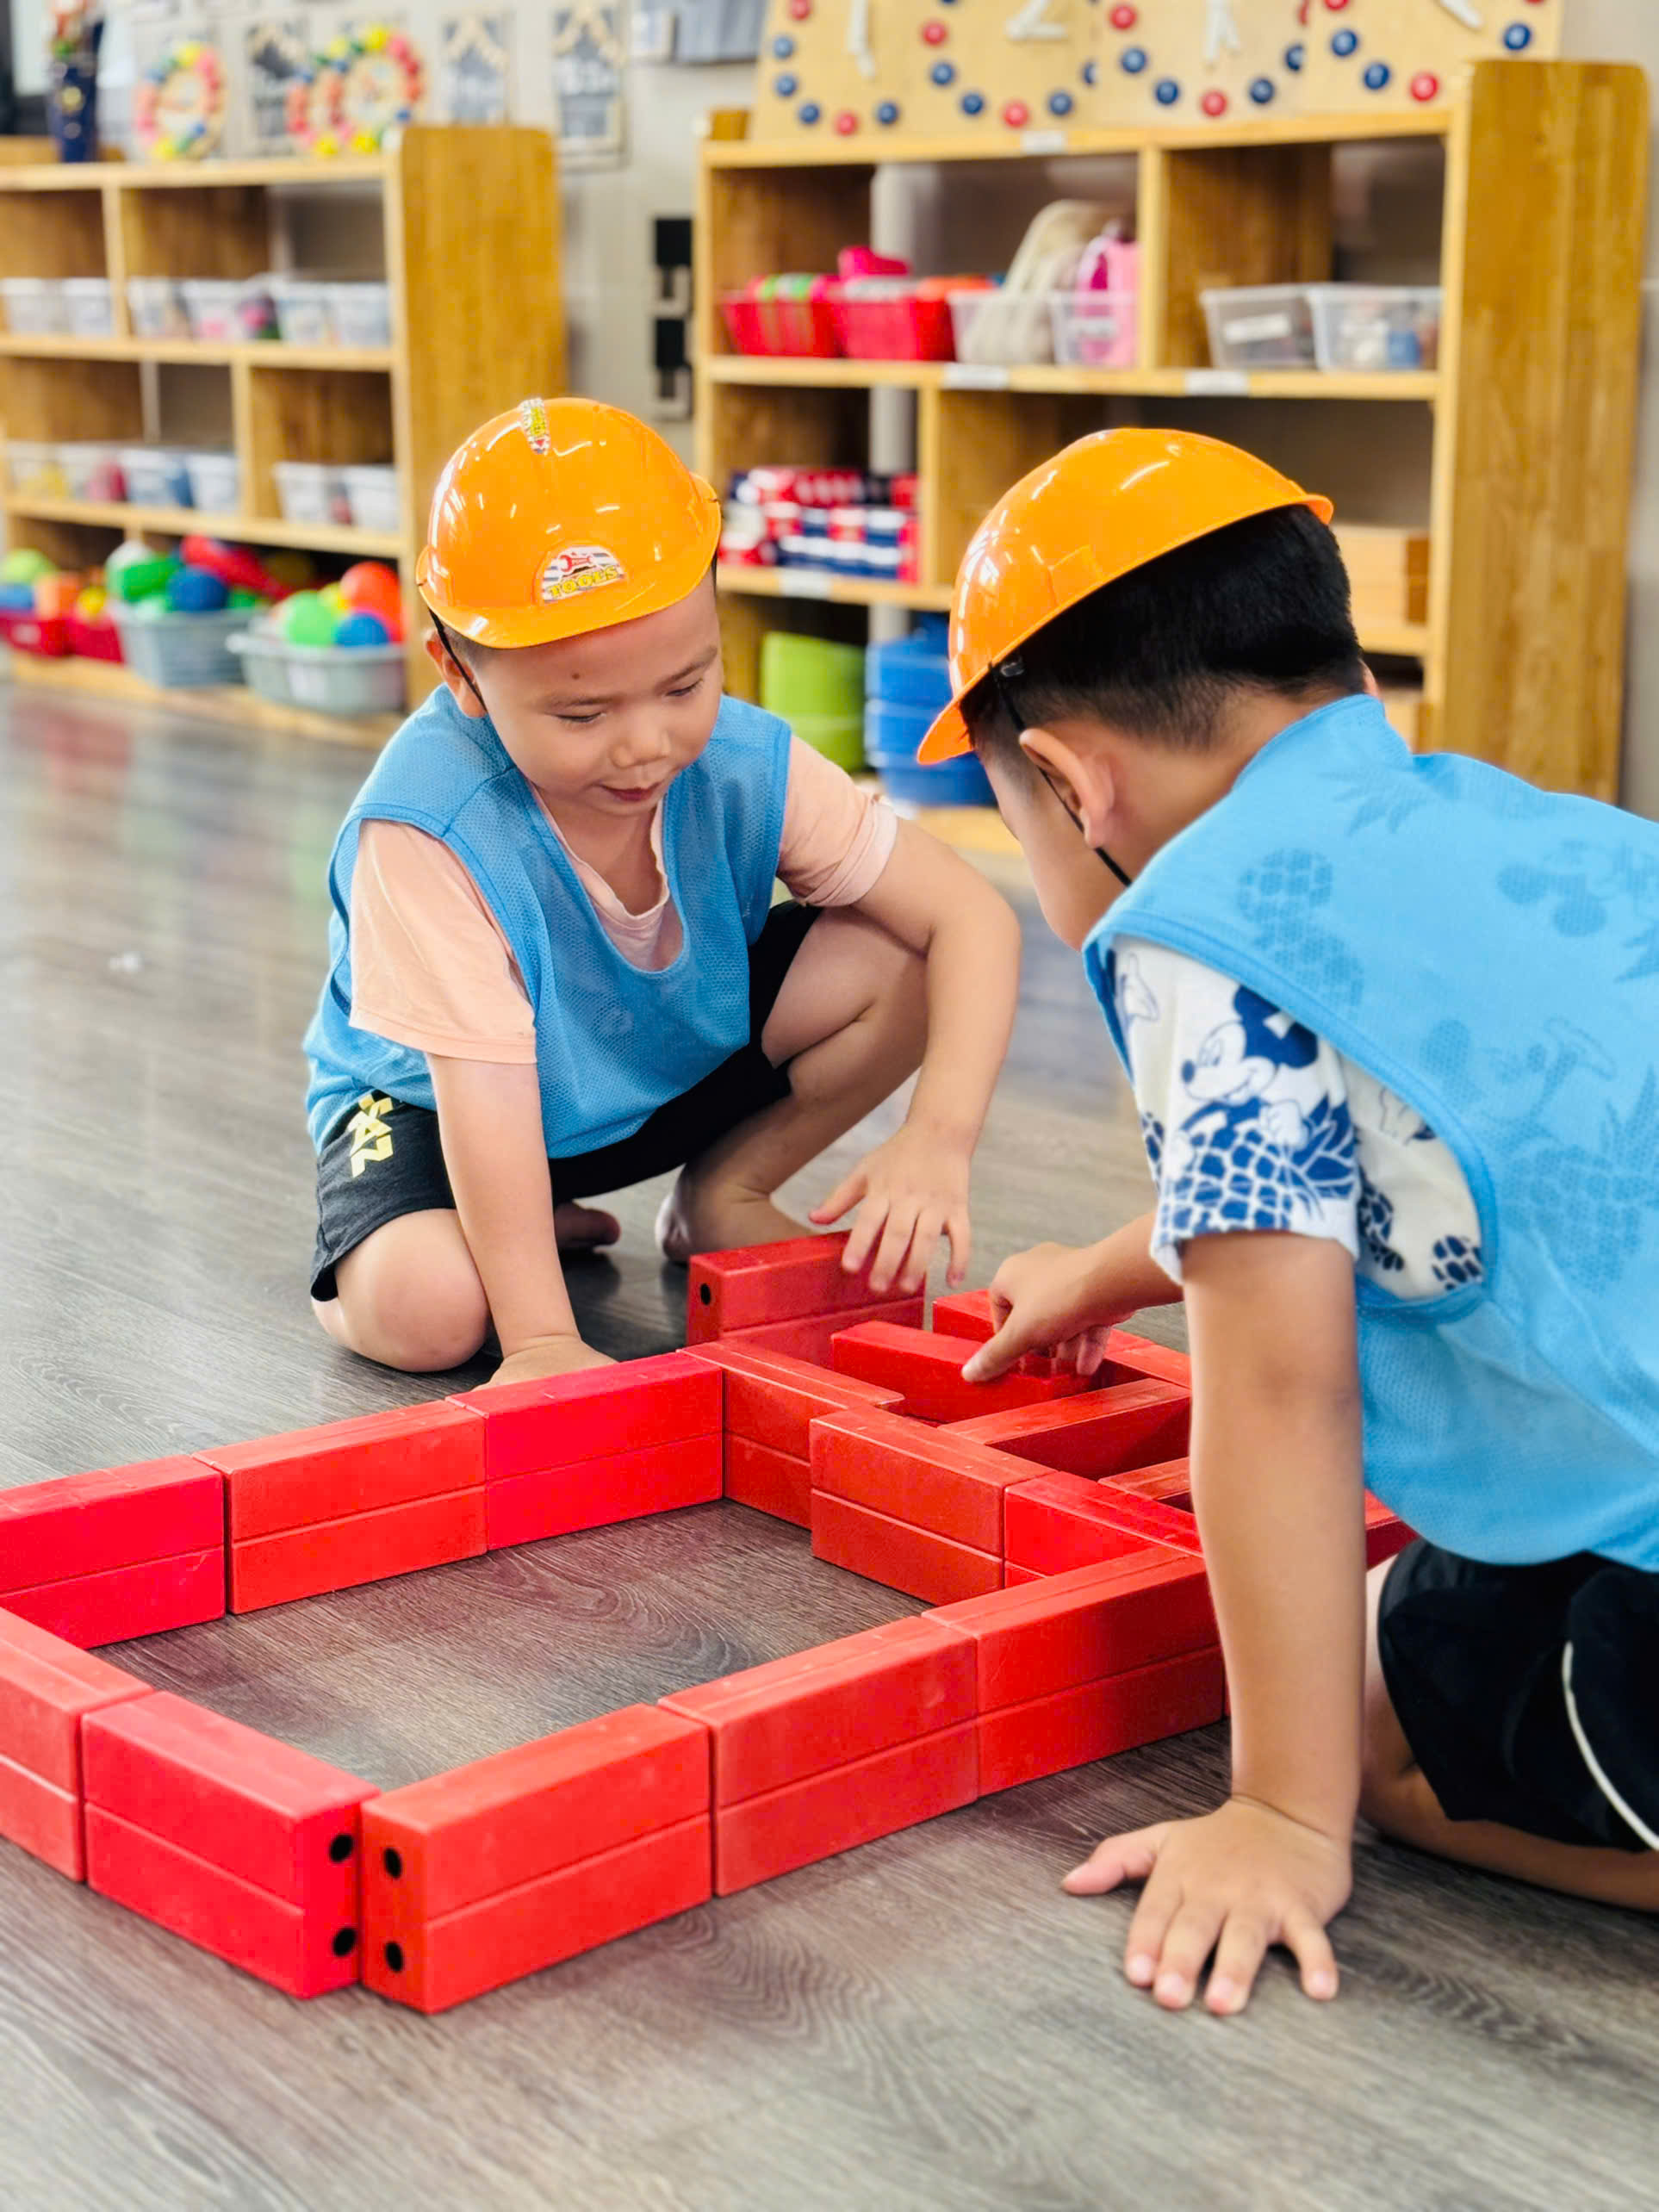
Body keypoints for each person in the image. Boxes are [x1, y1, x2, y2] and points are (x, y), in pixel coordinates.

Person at [925, 426, 1659, 2017]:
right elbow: (1349, 1164)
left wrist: (1279, 1808)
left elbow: (1279, 1388)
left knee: (1381, 1741)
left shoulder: (1199, 936)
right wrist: (1107, 1268)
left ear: (1069, 783)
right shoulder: (1517, 831)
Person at [305, 398, 1021, 1383]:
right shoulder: (428, 826)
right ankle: (451, 1244)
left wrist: (938, 1137)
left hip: (646, 1078)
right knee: (427, 1314)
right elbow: (484, 1093)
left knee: (905, 950)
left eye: (685, 686)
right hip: (436, 1109)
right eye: (583, 713)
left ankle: (724, 1193)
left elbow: (972, 917)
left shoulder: (746, 760)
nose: (646, 745)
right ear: (460, 674)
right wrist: (543, 1341)